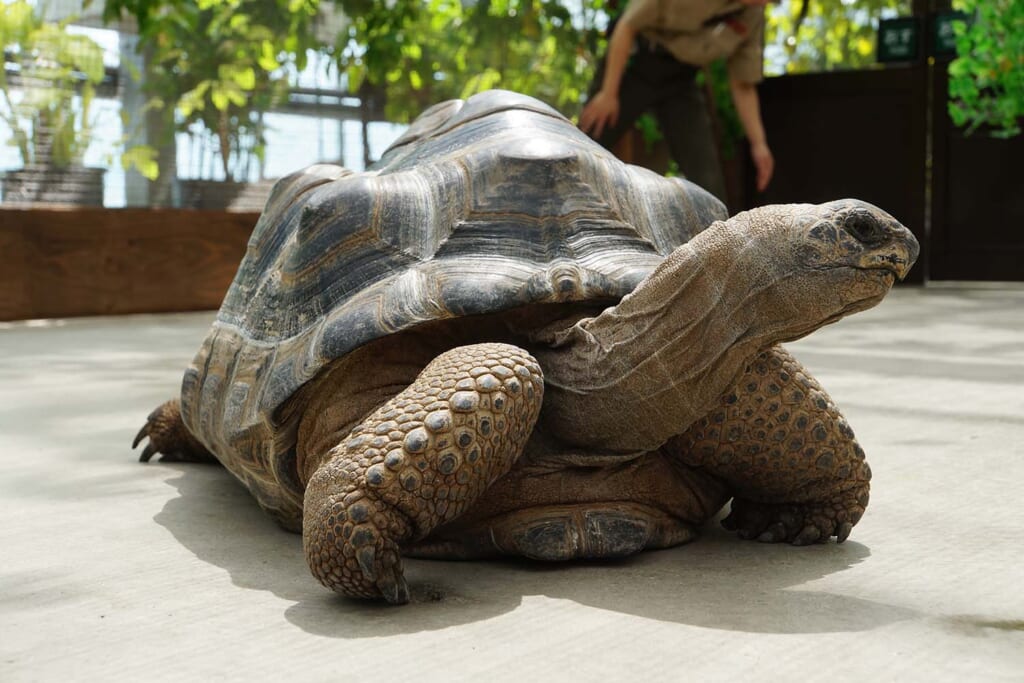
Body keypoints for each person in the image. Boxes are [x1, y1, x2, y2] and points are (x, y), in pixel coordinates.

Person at [579, 0, 775, 202]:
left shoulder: (753, 14)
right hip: (635, 62)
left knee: (709, 184)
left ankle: (717, 232)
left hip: (681, 80)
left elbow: (743, 83)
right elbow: (627, 25)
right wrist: (609, 94)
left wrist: (759, 144)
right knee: (586, 145)